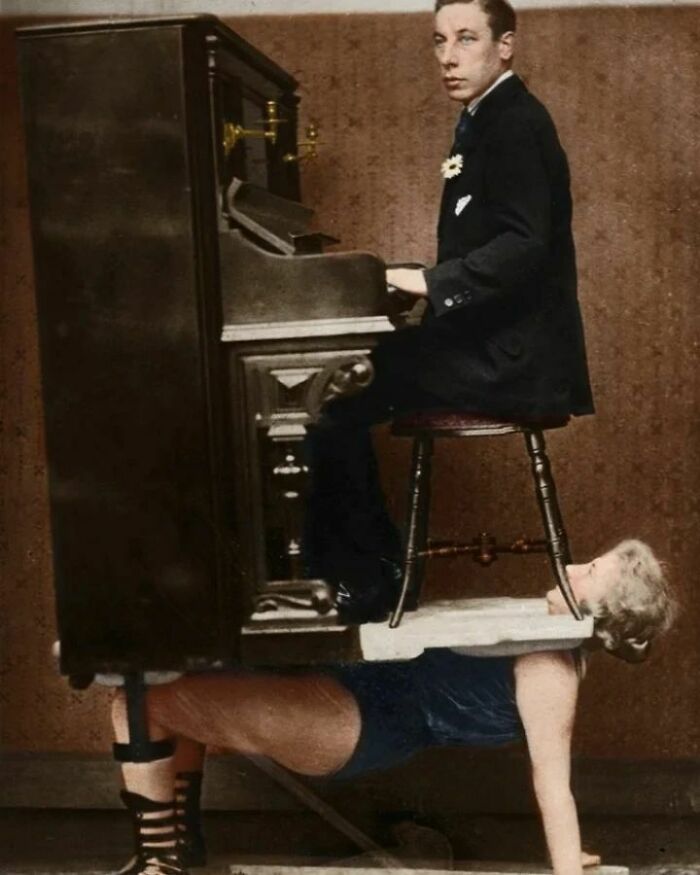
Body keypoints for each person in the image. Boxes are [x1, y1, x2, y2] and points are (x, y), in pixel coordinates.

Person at [112, 539, 673, 875]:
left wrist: (568, 865)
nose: (571, 568)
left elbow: (553, 784)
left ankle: (161, 861)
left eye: (590, 573)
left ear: (600, 614)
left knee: (140, 700)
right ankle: (178, 847)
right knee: (179, 693)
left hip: (350, 720)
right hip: (352, 702)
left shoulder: (550, 669)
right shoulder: (538, 639)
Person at [304, 0, 594, 623]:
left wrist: (429, 282)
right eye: (439, 41)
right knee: (341, 382)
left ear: (505, 45)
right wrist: (413, 280)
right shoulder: (486, 118)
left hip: (513, 359)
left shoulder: (514, 122)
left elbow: (524, 245)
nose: (448, 57)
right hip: (496, 346)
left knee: (331, 390)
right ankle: (379, 571)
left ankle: (368, 579)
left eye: (466, 39)